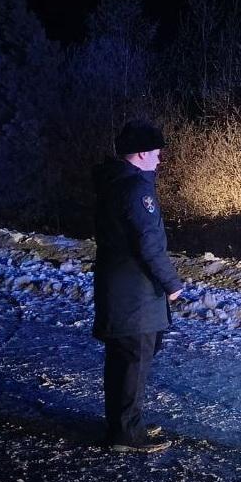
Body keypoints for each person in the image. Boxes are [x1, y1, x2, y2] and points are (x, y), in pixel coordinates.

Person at [92, 119, 183, 453]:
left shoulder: (116, 183)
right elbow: (148, 243)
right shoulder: (136, 190)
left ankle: (122, 422)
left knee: (125, 358)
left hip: (122, 289)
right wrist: (172, 283)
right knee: (133, 360)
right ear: (142, 153)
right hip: (134, 292)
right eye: (157, 153)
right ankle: (126, 433)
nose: (160, 159)